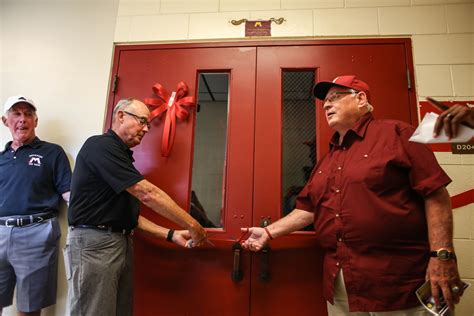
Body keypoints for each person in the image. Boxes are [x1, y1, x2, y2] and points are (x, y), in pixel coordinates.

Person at [241, 76, 463, 315]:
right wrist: (267, 232)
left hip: (399, 283)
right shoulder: (327, 160)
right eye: (325, 101)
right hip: (342, 284)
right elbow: (308, 210)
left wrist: (442, 255)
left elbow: (435, 194)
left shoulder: (398, 134)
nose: (326, 105)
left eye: (335, 98)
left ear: (360, 99)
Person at [65, 97, 207, 316]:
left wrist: (170, 234)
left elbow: (129, 217)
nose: (146, 128)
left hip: (118, 242)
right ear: (121, 116)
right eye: (142, 121)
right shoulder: (100, 146)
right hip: (94, 245)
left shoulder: (121, 158)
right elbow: (148, 194)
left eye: (147, 124)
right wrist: (192, 224)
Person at [0, 95, 71, 316]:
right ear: (5, 120)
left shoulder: (52, 152)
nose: (23, 119)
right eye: (16, 114)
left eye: (28, 114)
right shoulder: (1, 158)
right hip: (0, 232)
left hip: (36, 233)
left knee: (30, 307)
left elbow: (69, 194)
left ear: (35, 121)